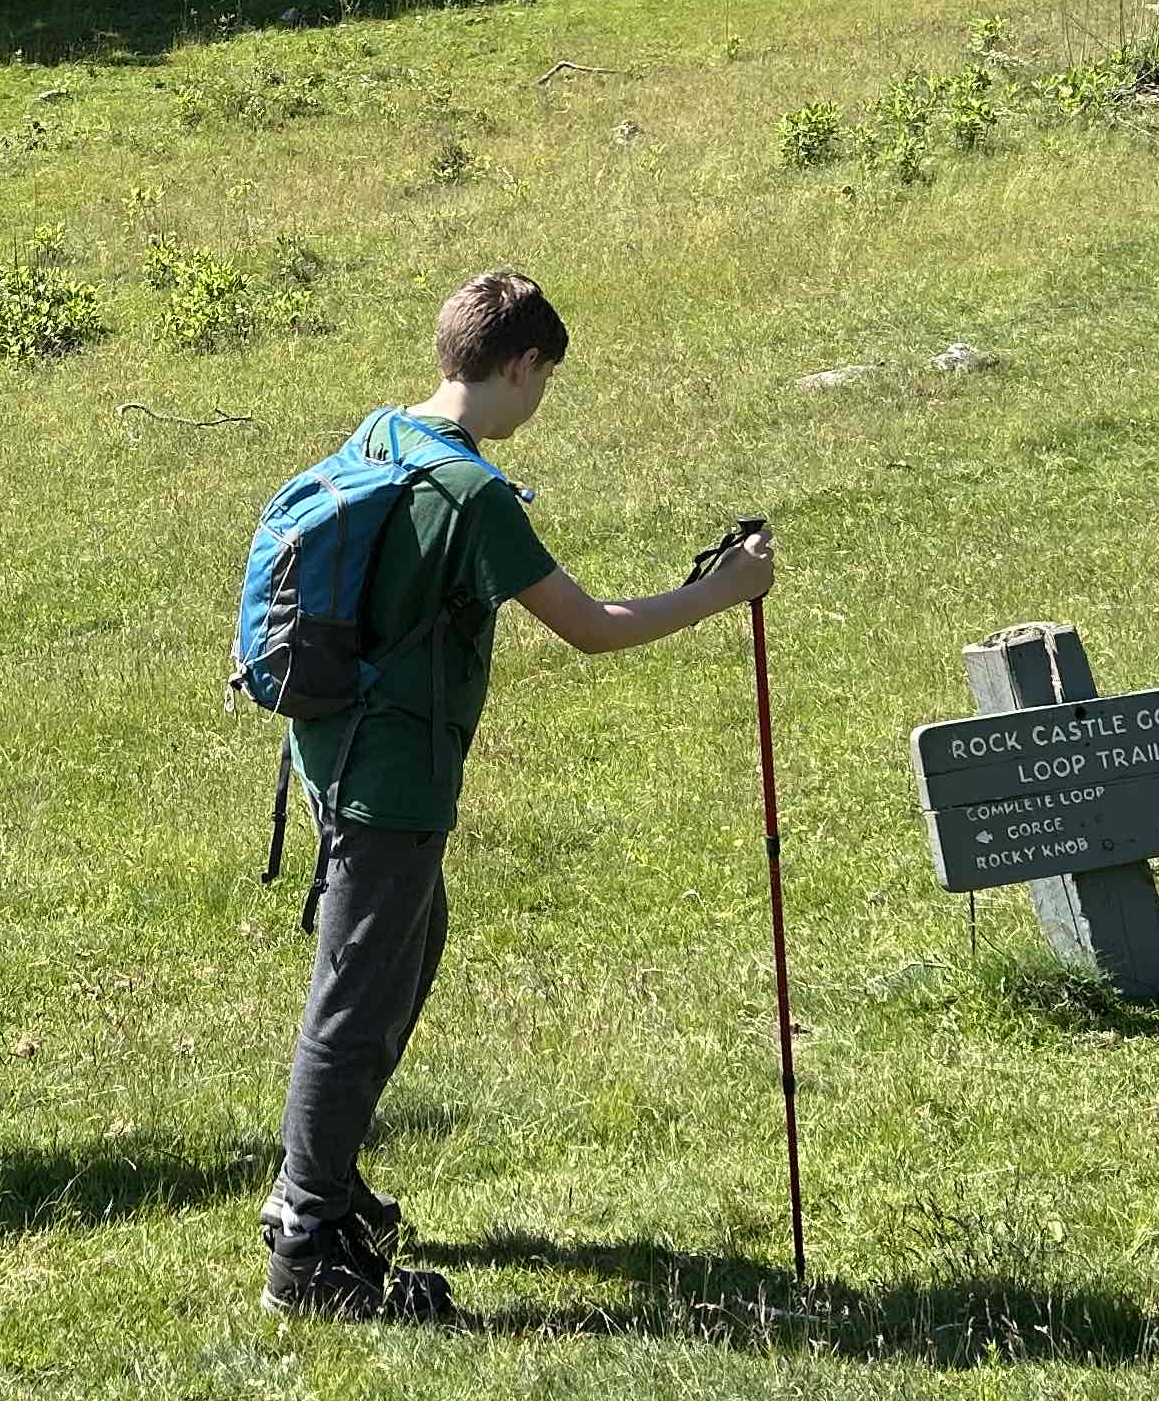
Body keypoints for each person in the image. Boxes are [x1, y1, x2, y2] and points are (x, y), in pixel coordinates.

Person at [262, 267, 775, 1324]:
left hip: (340, 747)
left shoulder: (383, 437)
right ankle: (307, 1246)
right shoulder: (471, 493)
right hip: (390, 772)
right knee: (355, 1002)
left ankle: (333, 1182)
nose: (543, 399)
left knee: (407, 959)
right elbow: (589, 627)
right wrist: (723, 592)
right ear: (521, 364)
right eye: (545, 379)